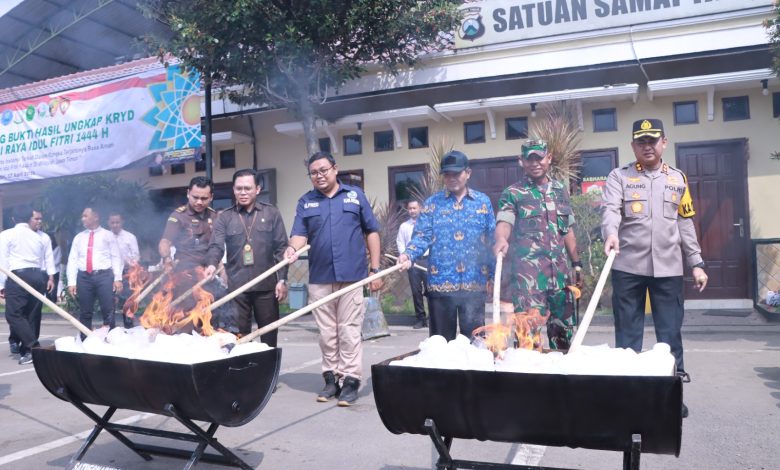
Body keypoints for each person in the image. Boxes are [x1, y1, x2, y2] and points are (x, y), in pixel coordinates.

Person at [601, 118, 708, 418]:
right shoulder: (618, 177)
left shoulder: (678, 179)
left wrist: (696, 263)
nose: (647, 146)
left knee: (670, 336)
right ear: (633, 145)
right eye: (641, 141)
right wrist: (610, 233)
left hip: (669, 270)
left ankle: (671, 397)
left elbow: (685, 222)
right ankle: (628, 398)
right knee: (628, 338)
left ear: (664, 142)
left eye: (652, 140)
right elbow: (610, 210)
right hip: (628, 267)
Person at [284, 151, 383, 407]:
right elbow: (298, 234)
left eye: (324, 170)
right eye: (314, 172)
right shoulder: (306, 201)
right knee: (327, 333)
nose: (319, 175)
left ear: (335, 169)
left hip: (352, 276)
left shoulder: (354, 196)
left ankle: (350, 380)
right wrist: (292, 249)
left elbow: (371, 231)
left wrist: (375, 269)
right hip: (320, 277)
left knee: (349, 330)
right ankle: (331, 378)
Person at [493, 139, 583, 350]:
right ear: (521, 161)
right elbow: (504, 221)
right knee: (527, 342)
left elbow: (567, 229)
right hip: (528, 283)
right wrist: (501, 239)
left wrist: (577, 263)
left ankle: (562, 381)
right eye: (529, 158)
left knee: (563, 340)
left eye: (539, 158)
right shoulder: (513, 193)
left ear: (548, 158)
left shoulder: (560, 190)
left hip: (560, 280)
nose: (535, 163)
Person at [397, 150, 495, 341]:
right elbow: (421, 236)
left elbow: (491, 241)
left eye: (456, 173)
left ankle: (473, 372)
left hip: (474, 285)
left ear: (468, 173)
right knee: (440, 345)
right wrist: (408, 255)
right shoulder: (432, 204)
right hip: (440, 284)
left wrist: (493, 276)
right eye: (447, 174)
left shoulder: (483, 203)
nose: (451, 178)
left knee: (475, 344)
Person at [205, 169, 289, 347]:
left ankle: (268, 374)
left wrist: (282, 280)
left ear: (257, 189)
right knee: (239, 338)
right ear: (233, 190)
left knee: (268, 337)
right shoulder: (225, 217)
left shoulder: (271, 213)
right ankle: (244, 373)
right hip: (237, 289)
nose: (243, 193)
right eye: (238, 188)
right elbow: (216, 245)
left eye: (247, 188)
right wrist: (212, 264)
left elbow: (281, 249)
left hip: (266, 288)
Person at [0, 206, 56, 364]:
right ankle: (28, 352)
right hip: (37, 276)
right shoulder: (39, 236)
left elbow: (2, 261)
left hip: (18, 276)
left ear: (13, 219)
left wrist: (1, 284)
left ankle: (32, 347)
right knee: (32, 314)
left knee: (14, 314)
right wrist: (49, 277)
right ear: (27, 218)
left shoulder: (6, 234)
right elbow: (48, 258)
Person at [66, 207, 123, 335]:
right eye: (82, 216)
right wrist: (71, 282)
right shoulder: (79, 237)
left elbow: (116, 257)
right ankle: (85, 339)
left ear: (95, 217)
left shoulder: (108, 235)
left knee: (108, 309)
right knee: (85, 311)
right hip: (84, 277)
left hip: (104, 276)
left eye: (85, 216)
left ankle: (110, 338)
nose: (83, 219)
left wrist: (118, 278)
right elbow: (73, 260)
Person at [159, 176, 216, 270]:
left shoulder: (214, 216)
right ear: (188, 194)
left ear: (211, 197)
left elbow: (217, 245)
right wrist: (167, 258)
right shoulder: (178, 216)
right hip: (185, 272)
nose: (199, 202)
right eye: (195, 197)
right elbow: (165, 242)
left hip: (209, 269)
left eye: (204, 198)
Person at [396, 199, 429, 329]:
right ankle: (421, 318)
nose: (412, 211)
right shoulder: (404, 226)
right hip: (411, 261)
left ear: (420, 208)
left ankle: (433, 318)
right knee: (416, 291)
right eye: (410, 208)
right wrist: (404, 256)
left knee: (431, 290)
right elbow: (400, 242)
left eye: (414, 208)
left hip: (426, 260)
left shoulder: (426, 224)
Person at [108, 212, 140, 328]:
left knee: (128, 301)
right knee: (110, 300)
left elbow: (136, 256)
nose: (115, 225)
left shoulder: (130, 237)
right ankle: (110, 327)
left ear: (122, 222)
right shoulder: (106, 237)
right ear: (108, 223)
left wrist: (128, 262)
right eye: (113, 222)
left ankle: (129, 327)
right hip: (110, 273)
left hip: (127, 273)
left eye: (117, 222)